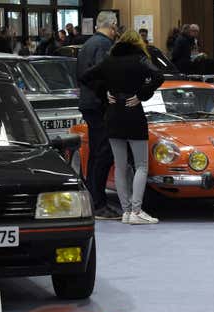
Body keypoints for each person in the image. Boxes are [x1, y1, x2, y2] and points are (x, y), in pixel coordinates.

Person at [80, 30, 164, 224]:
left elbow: (85, 76)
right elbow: (158, 76)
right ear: (137, 43)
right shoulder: (140, 59)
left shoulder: (109, 59)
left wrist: (104, 92)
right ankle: (136, 210)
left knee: (119, 165)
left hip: (113, 114)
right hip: (133, 113)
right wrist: (142, 94)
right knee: (141, 165)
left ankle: (126, 212)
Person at [77, 11, 120, 220]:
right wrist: (109, 93)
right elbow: (102, 74)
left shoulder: (88, 44)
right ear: (112, 26)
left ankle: (93, 199)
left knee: (95, 154)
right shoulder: (103, 45)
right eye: (117, 28)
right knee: (104, 153)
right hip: (98, 104)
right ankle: (99, 203)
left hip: (88, 102)